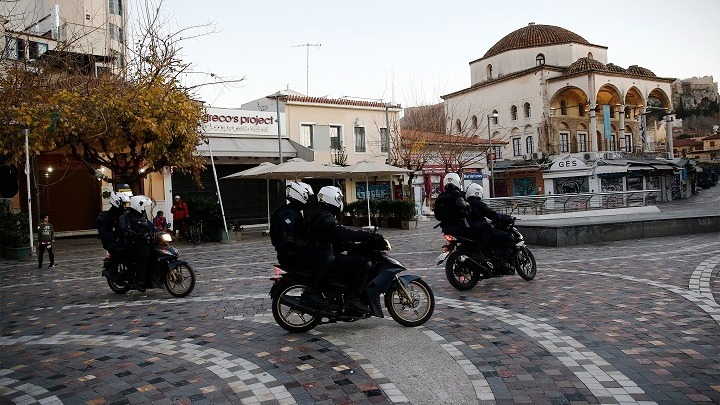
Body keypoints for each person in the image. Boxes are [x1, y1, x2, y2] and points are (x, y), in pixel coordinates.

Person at [307, 186, 384, 314]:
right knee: (363, 263)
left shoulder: (324, 216)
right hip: (325, 255)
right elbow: (343, 233)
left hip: (324, 254)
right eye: (339, 198)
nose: (340, 201)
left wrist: (351, 245)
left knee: (354, 258)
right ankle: (351, 300)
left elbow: (336, 238)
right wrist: (366, 236)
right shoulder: (327, 218)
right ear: (331, 199)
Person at [269, 181, 331, 306]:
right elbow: (289, 237)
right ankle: (312, 292)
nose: (309, 200)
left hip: (290, 253)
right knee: (326, 258)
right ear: (299, 195)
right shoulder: (288, 214)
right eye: (307, 196)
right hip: (291, 255)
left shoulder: (291, 211)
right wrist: (310, 246)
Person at [464, 183, 516, 273]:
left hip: (468, 231)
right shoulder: (480, 205)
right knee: (509, 238)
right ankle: (502, 263)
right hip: (480, 231)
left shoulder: (465, 204)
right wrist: (507, 218)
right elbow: (493, 215)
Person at [119, 195, 154, 291]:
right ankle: (140, 280)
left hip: (142, 241)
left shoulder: (141, 215)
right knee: (144, 253)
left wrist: (160, 230)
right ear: (138, 205)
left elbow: (150, 225)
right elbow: (125, 230)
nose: (144, 208)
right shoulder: (126, 216)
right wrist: (137, 235)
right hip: (131, 243)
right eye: (143, 206)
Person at [97, 191, 131, 266]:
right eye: (123, 204)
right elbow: (104, 233)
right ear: (117, 203)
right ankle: (114, 271)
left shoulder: (126, 215)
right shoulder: (106, 217)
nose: (125, 206)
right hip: (113, 243)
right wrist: (115, 239)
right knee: (118, 253)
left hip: (126, 241)